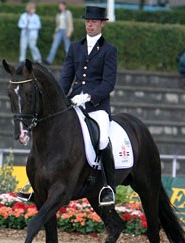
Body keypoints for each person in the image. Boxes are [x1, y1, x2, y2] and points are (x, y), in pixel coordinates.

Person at [60, 6, 117, 205]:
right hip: (74, 102)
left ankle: (109, 187)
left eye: (94, 21)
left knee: (102, 140)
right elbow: (67, 76)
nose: (90, 24)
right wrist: (61, 98)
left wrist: (89, 97)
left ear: (102, 24)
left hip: (97, 106)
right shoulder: (75, 47)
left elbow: (109, 83)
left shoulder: (109, 50)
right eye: (87, 21)